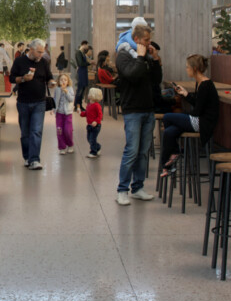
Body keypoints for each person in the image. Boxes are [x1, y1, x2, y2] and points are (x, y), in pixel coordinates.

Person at [114, 24, 158, 206]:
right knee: (131, 150)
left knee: (143, 152)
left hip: (148, 109)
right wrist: (141, 57)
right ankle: (122, 190)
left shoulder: (146, 56)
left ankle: (138, 187)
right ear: (137, 39)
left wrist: (154, 60)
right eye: (147, 40)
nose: (149, 43)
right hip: (132, 110)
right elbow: (132, 75)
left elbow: (156, 80)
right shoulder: (123, 55)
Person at [159, 54, 219, 176]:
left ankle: (175, 153)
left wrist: (183, 117)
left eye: (187, 67)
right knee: (169, 132)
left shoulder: (205, 85)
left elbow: (197, 111)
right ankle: (166, 166)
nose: (186, 69)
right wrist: (185, 94)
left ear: (195, 68)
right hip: (198, 119)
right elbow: (198, 104)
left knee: (167, 117)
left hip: (202, 123)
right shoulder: (201, 83)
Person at [9, 39, 53, 170]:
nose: (41, 55)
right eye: (39, 52)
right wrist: (23, 79)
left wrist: (51, 82)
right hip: (23, 102)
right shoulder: (19, 61)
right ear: (31, 50)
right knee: (25, 133)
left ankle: (35, 159)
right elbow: (12, 78)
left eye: (42, 52)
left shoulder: (44, 62)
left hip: (40, 102)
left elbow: (49, 76)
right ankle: (27, 157)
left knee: (36, 131)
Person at [51, 72, 75, 154]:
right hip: (59, 113)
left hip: (68, 113)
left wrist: (66, 92)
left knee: (67, 130)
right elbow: (55, 99)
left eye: (65, 80)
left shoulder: (70, 89)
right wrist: (53, 108)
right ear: (58, 81)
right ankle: (62, 147)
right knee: (59, 130)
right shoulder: (57, 89)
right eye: (61, 80)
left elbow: (71, 99)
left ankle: (70, 144)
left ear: (68, 81)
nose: (63, 81)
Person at [82, 86, 104, 159]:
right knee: (89, 138)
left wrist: (96, 121)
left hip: (96, 126)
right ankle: (98, 147)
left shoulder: (97, 105)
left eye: (90, 93)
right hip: (89, 125)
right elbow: (86, 113)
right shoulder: (89, 104)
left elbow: (100, 115)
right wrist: (81, 113)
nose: (88, 95)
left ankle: (93, 152)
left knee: (92, 139)